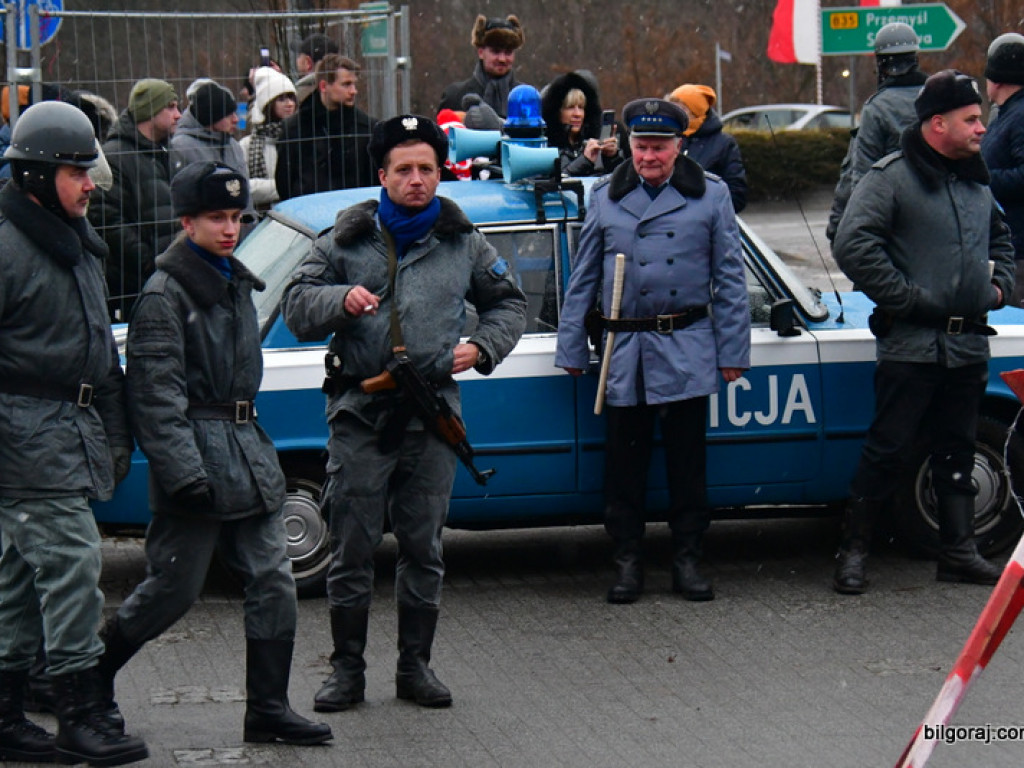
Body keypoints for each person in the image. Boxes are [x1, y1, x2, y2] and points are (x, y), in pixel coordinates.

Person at [281, 115, 527, 711]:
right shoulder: (344, 239)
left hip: (431, 414)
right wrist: (340, 299)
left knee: (423, 548)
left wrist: (482, 347)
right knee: (352, 547)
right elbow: (295, 306)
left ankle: (415, 668)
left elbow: (509, 303)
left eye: (426, 169)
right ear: (383, 175)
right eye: (404, 170)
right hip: (361, 413)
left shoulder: (463, 241)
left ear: (440, 174)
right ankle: (346, 671)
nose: (416, 180)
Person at [94, 161, 333, 747]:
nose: (230, 229)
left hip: (248, 456)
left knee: (273, 581)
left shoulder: (235, 283)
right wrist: (183, 474)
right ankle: (86, 680)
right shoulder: (164, 296)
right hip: (198, 464)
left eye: (235, 217)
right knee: (172, 590)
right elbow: (155, 397)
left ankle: (268, 709)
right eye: (215, 218)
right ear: (187, 222)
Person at [555, 98, 751, 605]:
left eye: (659, 147)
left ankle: (688, 560)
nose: (648, 157)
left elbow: (730, 279)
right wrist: (571, 344)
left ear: (679, 146)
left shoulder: (711, 195)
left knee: (688, 465)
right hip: (626, 350)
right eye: (641, 146)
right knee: (624, 466)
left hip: (686, 343)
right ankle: (627, 563)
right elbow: (584, 278)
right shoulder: (605, 196)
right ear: (630, 146)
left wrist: (733, 351)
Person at [0, 100, 148, 766]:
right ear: (37, 176)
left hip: (64, 431)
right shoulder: (9, 247)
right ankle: (80, 713)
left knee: (16, 577)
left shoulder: (72, 238)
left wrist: (113, 431)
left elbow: (98, 351)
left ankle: (6, 714)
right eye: (76, 171)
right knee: (72, 566)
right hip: (26, 438)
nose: (91, 183)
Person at [831, 70, 1015, 595]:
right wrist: (907, 298)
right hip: (911, 346)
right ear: (938, 124)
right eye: (971, 119)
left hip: (967, 345)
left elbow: (1001, 239)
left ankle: (958, 551)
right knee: (888, 449)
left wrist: (998, 289)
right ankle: (853, 552)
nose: (982, 128)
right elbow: (852, 244)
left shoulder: (975, 180)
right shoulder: (890, 178)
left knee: (958, 447)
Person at [827, 22, 928, 243]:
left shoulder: (876, 109)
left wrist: (840, 228)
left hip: (893, 222)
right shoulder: (941, 98)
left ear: (881, 65)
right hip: (938, 220)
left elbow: (860, 177)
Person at [91, 77, 182, 320]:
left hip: (170, 276)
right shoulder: (115, 157)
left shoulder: (168, 153)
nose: (178, 115)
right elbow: (107, 220)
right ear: (150, 110)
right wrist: (149, 261)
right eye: (171, 107)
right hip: (133, 286)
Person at [276, 53, 377, 200]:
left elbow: (373, 183)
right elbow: (284, 182)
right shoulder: (294, 129)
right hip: (307, 211)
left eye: (354, 84)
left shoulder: (366, 129)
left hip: (355, 210)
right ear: (324, 86)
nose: (353, 91)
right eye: (346, 84)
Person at [981, 33, 1024, 307]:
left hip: (1019, 249)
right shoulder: (1006, 114)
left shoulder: (1019, 116)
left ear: (996, 79)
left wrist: (982, 180)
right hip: (1011, 245)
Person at [668, 83, 748, 213]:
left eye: (682, 109)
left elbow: (736, 193)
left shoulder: (724, 144)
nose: (674, 116)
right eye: (673, 110)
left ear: (696, 112)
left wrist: (706, 213)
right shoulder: (667, 140)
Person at [439, 14, 525, 119]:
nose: (502, 59)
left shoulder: (526, 98)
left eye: (508, 52)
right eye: (496, 51)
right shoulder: (455, 96)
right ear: (480, 52)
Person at [540, 70, 623, 177]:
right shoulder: (545, 148)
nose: (577, 114)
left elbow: (620, 181)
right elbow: (555, 181)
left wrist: (612, 158)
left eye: (581, 107)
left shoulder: (594, 142)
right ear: (556, 112)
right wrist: (585, 160)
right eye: (570, 107)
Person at [239, 66, 298, 209]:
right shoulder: (247, 145)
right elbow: (243, 187)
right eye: (281, 99)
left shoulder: (302, 139)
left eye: (291, 98)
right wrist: (284, 187)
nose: (289, 104)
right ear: (268, 103)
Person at [170, 80, 247, 178]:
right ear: (212, 117)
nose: (236, 119)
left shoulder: (233, 146)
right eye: (228, 115)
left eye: (235, 113)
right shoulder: (181, 148)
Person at [293, 32, 339, 105]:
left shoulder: (296, 97)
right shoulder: (342, 92)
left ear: (308, 63)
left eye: (299, 56)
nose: (297, 60)